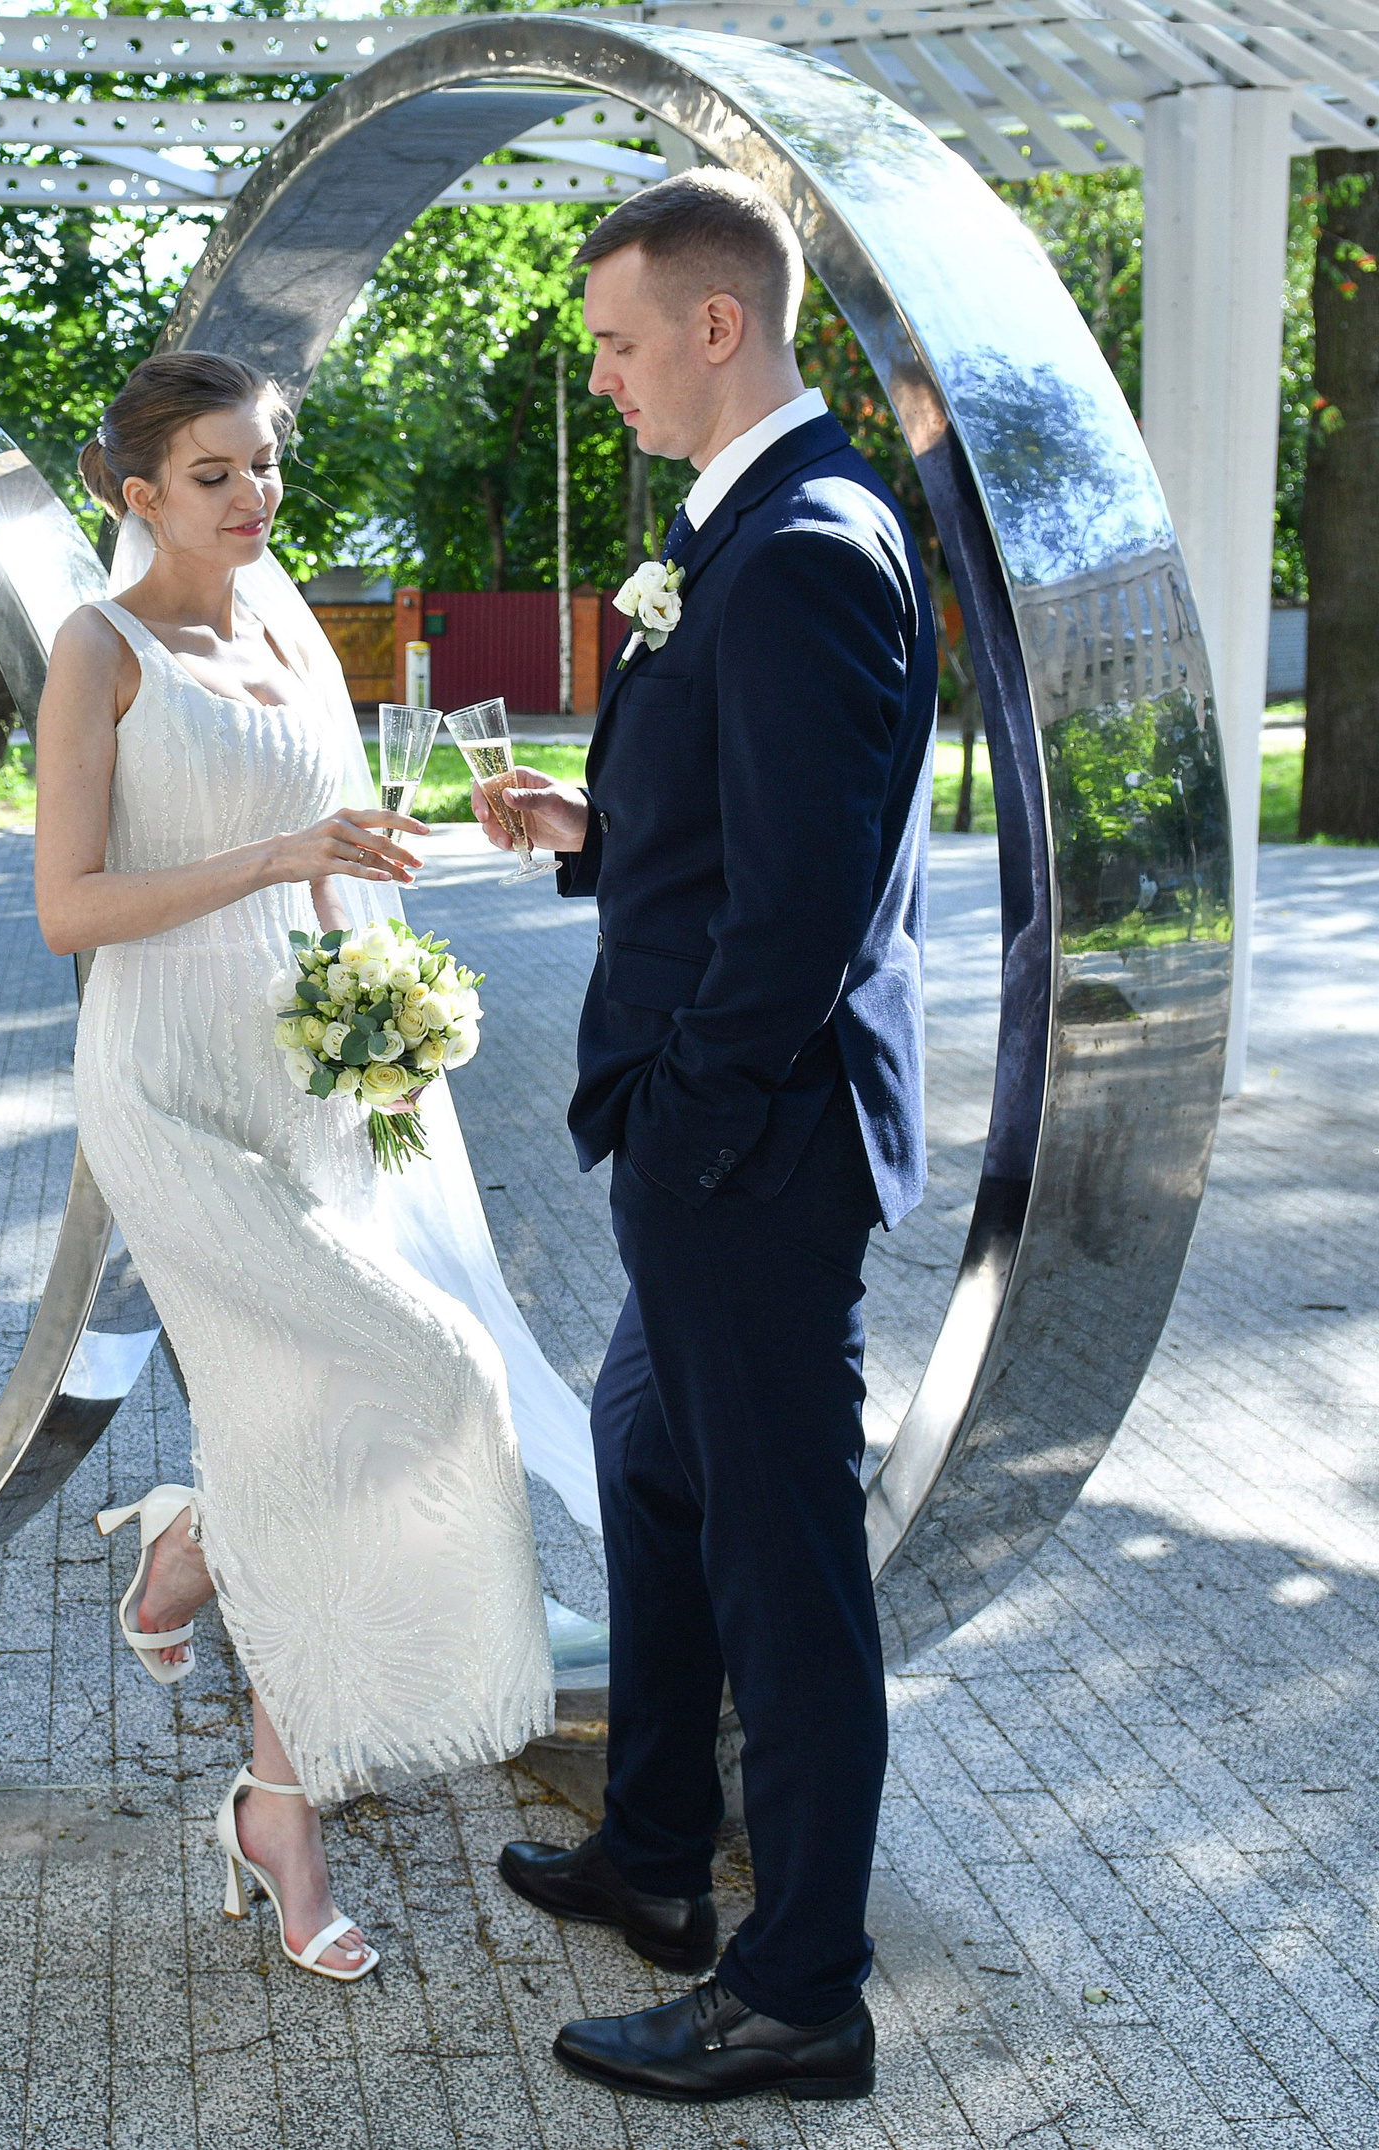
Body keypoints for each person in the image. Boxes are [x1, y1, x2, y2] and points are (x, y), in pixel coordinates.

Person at [37, 351, 597, 1985]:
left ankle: (272, 1783)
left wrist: (399, 950)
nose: (254, 498)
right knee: (425, 1373)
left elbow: (345, 837)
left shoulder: (288, 619)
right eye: (216, 475)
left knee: (332, 1429)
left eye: (266, 465)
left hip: (307, 1073)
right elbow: (71, 907)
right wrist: (278, 855)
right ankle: (198, 1541)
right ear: (138, 494)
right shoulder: (101, 650)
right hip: (167, 1081)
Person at [475, 169, 935, 2104]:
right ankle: (658, 1853)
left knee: (784, 1562)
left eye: (614, 339)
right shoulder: (741, 533)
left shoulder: (811, 540)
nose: (601, 377)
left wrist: (689, 1107)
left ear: (717, 326)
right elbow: (747, 827)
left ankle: (799, 1989)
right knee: (647, 1464)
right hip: (709, 1128)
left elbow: (815, 910)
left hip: (746, 1146)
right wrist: (599, 839)